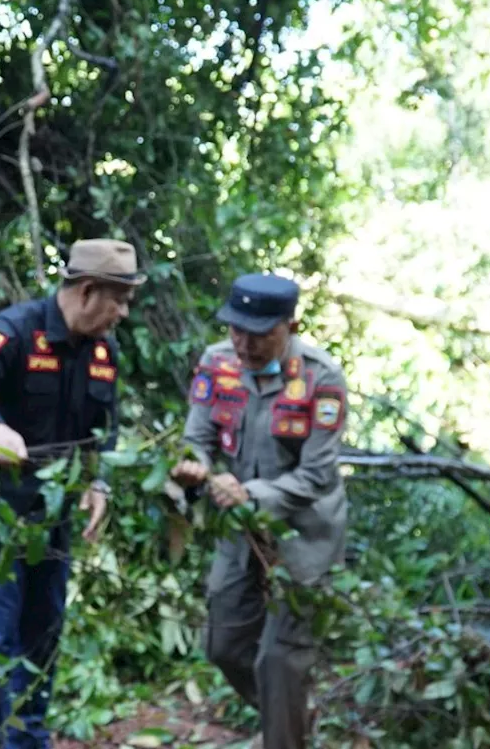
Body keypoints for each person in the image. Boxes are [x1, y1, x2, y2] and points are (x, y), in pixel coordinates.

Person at [0, 239, 145, 749]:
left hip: (51, 527)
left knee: (41, 648)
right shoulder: (14, 330)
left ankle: (29, 741)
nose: (123, 313)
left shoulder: (103, 352)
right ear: (88, 290)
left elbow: (106, 426)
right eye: (118, 299)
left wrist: (97, 481)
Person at [168, 273, 348, 749]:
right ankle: (289, 717)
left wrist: (252, 494)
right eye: (235, 330)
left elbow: (316, 476)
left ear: (290, 326)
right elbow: (198, 440)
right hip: (239, 528)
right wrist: (195, 470)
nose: (244, 344)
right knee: (223, 644)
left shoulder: (321, 377)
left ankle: (283, 731)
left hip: (304, 536)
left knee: (280, 661)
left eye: (259, 334)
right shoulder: (216, 363)